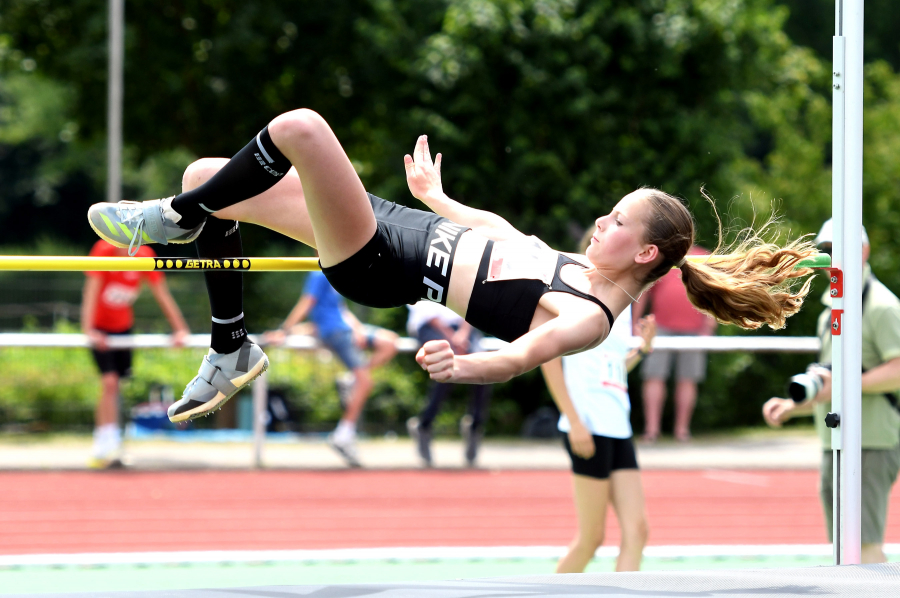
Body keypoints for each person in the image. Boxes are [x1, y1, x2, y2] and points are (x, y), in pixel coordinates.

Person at [86, 108, 819, 422]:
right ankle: (228, 348)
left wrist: (461, 366)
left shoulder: (590, 316)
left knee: (302, 130)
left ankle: (171, 225)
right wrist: (441, 198)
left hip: (378, 260)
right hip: (401, 221)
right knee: (209, 175)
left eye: (617, 220)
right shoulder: (574, 264)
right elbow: (505, 237)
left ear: (647, 253)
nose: (602, 220)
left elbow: (522, 357)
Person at [761, 219, 900, 564]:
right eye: (828, 251)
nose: (833, 258)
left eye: (841, 250)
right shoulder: (831, 311)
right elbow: (832, 386)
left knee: (864, 546)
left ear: (864, 251)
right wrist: (794, 406)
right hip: (836, 438)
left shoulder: (883, 307)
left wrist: (843, 384)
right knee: (843, 546)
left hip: (872, 440)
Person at [541, 229, 656, 572]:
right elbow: (548, 360)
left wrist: (643, 350)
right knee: (591, 539)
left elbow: (613, 370)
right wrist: (574, 421)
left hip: (617, 425)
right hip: (588, 425)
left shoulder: (621, 307)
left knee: (637, 530)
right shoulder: (573, 296)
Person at [263, 271, 398, 466]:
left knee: (390, 342)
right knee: (366, 382)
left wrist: (358, 329)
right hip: (337, 332)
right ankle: (343, 433)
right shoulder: (318, 273)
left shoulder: (333, 272)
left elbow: (340, 309)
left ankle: (351, 380)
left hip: (345, 329)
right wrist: (284, 330)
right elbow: (307, 303)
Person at [81, 240, 190, 468]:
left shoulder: (145, 254)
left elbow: (162, 293)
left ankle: (112, 441)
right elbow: (91, 290)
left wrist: (180, 328)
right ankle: (103, 443)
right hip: (100, 328)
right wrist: (89, 329)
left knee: (117, 384)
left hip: (124, 328)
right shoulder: (103, 250)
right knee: (109, 382)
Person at [633, 245, 717, 442]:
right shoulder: (661, 257)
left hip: (694, 331)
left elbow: (712, 292)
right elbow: (644, 291)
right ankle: (651, 431)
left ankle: (682, 431)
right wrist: (635, 324)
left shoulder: (703, 257)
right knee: (653, 376)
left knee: (688, 379)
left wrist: (709, 327)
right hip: (659, 328)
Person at [406, 300, 492, 467]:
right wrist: (452, 338)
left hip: (463, 328)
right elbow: (426, 312)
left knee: (484, 368)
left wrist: (463, 333)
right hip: (430, 327)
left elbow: (471, 301)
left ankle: (475, 426)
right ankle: (424, 424)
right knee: (444, 368)